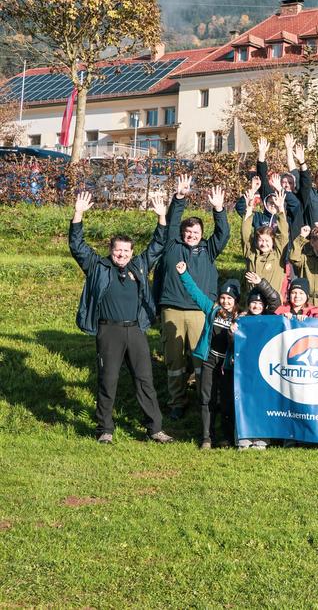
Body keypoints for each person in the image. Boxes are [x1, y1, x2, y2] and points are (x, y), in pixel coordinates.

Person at [69, 190, 173, 444]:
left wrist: (161, 217)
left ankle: (155, 429)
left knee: (145, 381)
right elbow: (77, 246)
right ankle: (105, 429)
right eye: (118, 250)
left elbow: (157, 246)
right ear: (111, 250)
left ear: (131, 252)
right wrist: (79, 213)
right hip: (109, 332)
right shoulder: (98, 267)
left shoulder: (138, 265)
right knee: (108, 381)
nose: (122, 255)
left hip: (135, 331)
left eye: (126, 251)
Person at [158, 175, 230, 420]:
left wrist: (218, 209)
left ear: (202, 233)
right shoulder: (172, 246)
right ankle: (177, 402)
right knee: (174, 361)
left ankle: (205, 400)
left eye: (196, 231)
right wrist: (179, 197)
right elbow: (171, 222)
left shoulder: (208, 250)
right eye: (188, 231)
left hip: (200, 312)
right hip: (172, 309)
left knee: (200, 360)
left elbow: (224, 234)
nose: (191, 235)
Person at [175, 263, 240, 450]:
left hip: (227, 364)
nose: (226, 301)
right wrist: (184, 274)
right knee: (206, 399)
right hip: (209, 360)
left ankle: (227, 437)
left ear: (235, 300)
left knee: (227, 401)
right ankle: (207, 437)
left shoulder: (240, 318)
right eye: (223, 297)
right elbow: (195, 293)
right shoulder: (212, 309)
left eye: (230, 298)